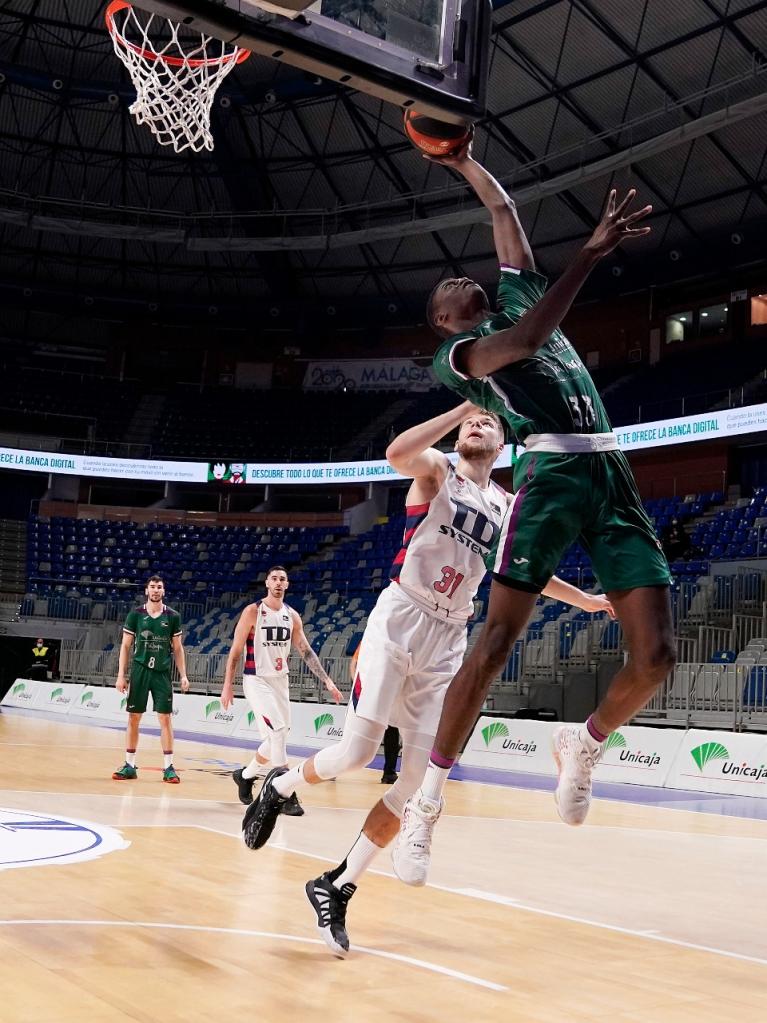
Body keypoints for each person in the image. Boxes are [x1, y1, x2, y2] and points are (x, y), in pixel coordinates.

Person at [393, 142, 675, 886]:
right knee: (492, 644)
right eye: (443, 292)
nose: (457, 277)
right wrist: (586, 255)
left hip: (608, 466)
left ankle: (583, 743)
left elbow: (502, 210)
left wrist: (461, 163)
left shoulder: (517, 289)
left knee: (657, 658)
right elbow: (527, 342)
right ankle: (425, 804)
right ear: (445, 320)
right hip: (547, 471)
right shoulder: (457, 355)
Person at [241, 404, 614, 957]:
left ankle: (338, 884)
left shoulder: (506, 506)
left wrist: (583, 600)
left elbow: (529, 571)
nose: (476, 425)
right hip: (400, 620)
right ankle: (279, 785)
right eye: (471, 421)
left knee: (414, 780)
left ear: (504, 441)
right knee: (356, 754)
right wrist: (463, 402)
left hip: (448, 640)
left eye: (487, 420)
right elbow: (395, 454)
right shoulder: (438, 470)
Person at [221, 566, 342, 814]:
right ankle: (283, 793)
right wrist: (227, 686)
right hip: (256, 679)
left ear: (287, 585)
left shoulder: (292, 616)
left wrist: (327, 680)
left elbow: (306, 651)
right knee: (277, 731)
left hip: (280, 681)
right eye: (274, 578)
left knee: (279, 735)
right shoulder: (253, 611)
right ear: (267, 582)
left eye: (282, 579)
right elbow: (235, 651)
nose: (278, 583)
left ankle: (245, 775)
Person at [112, 575, 190, 784]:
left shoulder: (172, 616)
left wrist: (183, 675)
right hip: (140, 670)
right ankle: (129, 765)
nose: (156, 590)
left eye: (159, 587)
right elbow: (126, 646)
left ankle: (169, 767)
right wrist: (121, 675)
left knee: (165, 718)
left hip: (162, 673)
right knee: (134, 717)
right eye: (152, 587)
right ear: (146, 591)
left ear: (164, 591)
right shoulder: (135, 615)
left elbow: (178, 648)